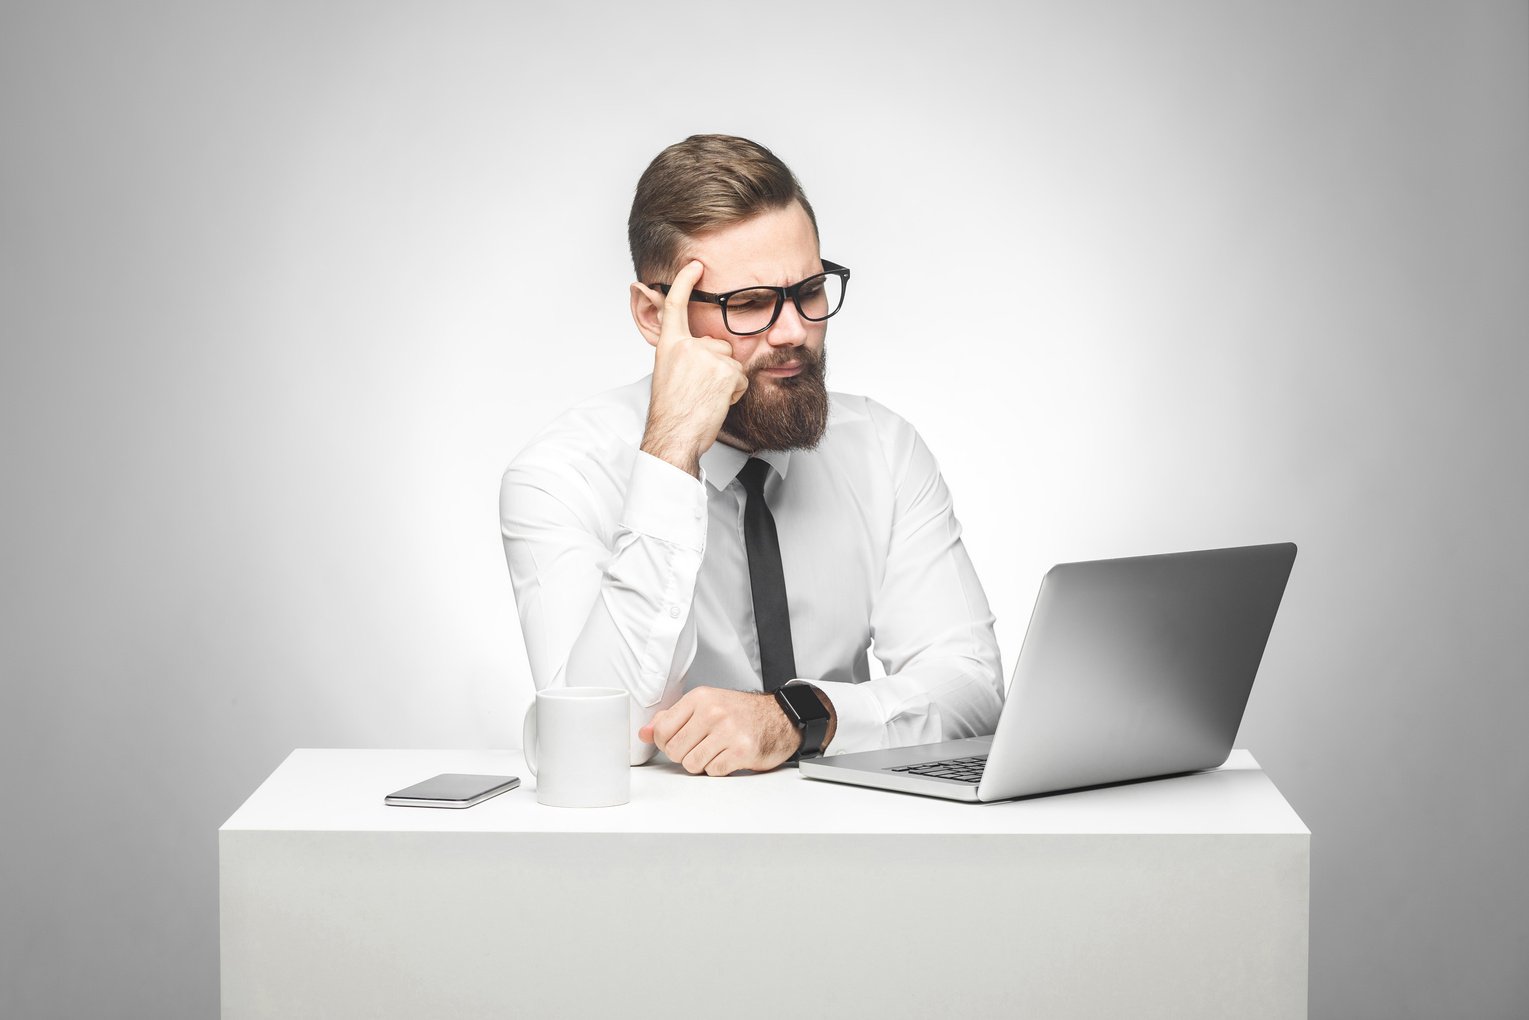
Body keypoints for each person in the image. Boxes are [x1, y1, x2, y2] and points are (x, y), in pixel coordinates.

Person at [500, 134, 1002, 775]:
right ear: (656, 317)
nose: (794, 332)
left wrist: (802, 719)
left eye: (810, 291)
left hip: (855, 838)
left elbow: (975, 690)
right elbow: (587, 745)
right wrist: (672, 452)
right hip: (653, 856)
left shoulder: (883, 448)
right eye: (751, 304)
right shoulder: (560, 476)